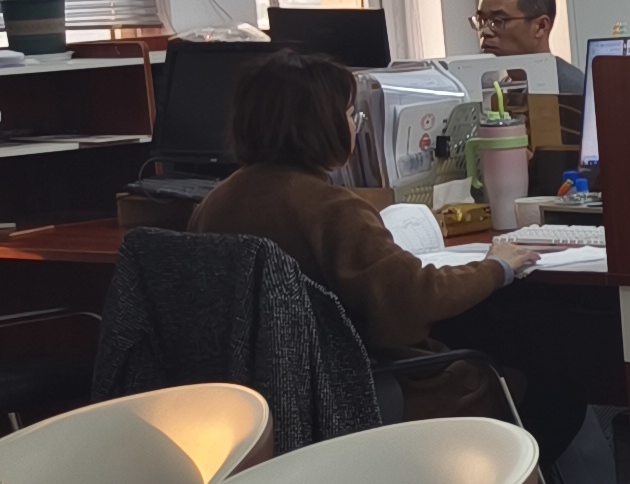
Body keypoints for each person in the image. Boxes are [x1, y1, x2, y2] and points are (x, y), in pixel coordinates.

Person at [195, 50, 534, 414]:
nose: (354, 126)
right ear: (320, 126)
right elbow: (413, 299)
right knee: (535, 382)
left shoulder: (214, 204)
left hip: (256, 402)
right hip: (360, 390)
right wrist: (496, 267)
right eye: (349, 115)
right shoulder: (330, 208)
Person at [471, 0, 587, 96]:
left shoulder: (571, 89)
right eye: (481, 20)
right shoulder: (501, 88)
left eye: (498, 21)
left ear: (541, 26)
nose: (485, 31)